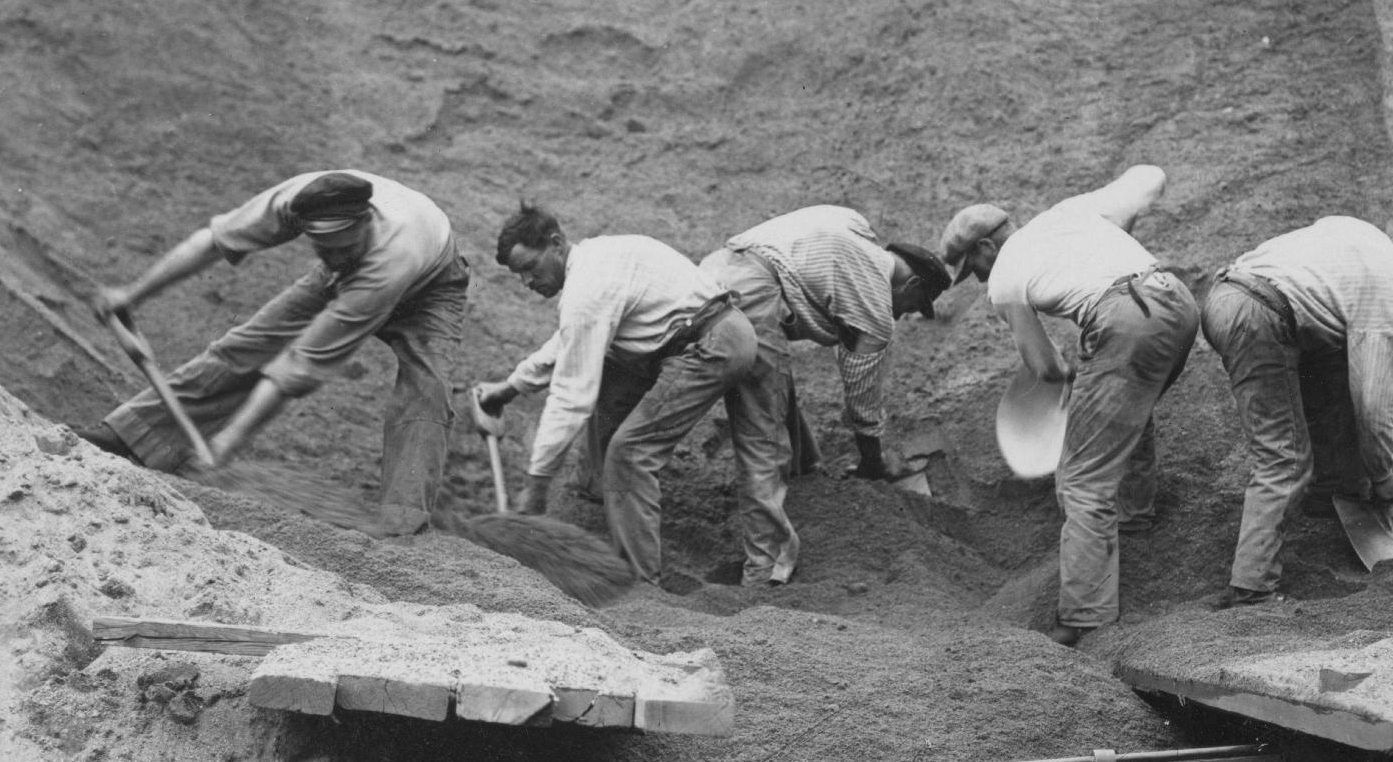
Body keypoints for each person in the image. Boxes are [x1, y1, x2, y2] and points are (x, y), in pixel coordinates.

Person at [79, 170, 469, 524]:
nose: (334, 256)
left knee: (426, 389)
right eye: (324, 248)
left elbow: (299, 366)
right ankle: (132, 434)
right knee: (250, 344)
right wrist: (132, 293)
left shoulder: (388, 263)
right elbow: (214, 241)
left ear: (365, 221)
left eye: (343, 247)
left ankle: (402, 521)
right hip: (359, 270)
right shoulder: (292, 201)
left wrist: (227, 443)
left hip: (431, 286)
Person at [941, 165, 1197, 646]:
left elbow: (1044, 366)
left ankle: (1085, 615)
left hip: (1126, 321)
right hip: (1178, 302)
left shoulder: (1004, 278)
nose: (977, 279)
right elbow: (1148, 178)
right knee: (1127, 411)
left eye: (972, 268)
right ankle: (1134, 517)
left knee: (1081, 478)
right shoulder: (1072, 212)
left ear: (985, 248)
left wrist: (1073, 377)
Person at [1200, 218, 1393, 607]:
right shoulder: (1387, 292)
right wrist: (1381, 475)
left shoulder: (1367, 238)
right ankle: (1252, 587)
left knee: (1336, 365)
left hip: (1228, 296)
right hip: (1258, 319)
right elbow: (1374, 404)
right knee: (1284, 457)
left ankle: (1329, 495)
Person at [472, 204, 758, 586]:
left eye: (530, 267)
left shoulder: (587, 288)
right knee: (608, 375)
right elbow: (568, 343)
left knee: (630, 452)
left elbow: (571, 395)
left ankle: (640, 584)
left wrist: (536, 484)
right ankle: (594, 499)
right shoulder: (597, 260)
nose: (526, 281)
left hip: (712, 345)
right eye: (518, 274)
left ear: (555, 243)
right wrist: (509, 389)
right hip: (704, 334)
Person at [699, 207, 951, 586]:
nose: (902, 316)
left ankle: (804, 474)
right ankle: (765, 567)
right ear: (911, 283)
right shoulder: (874, 300)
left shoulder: (852, 225)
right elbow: (861, 395)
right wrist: (873, 463)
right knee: (761, 425)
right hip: (750, 292)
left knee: (773, 379)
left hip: (713, 269)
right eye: (912, 306)